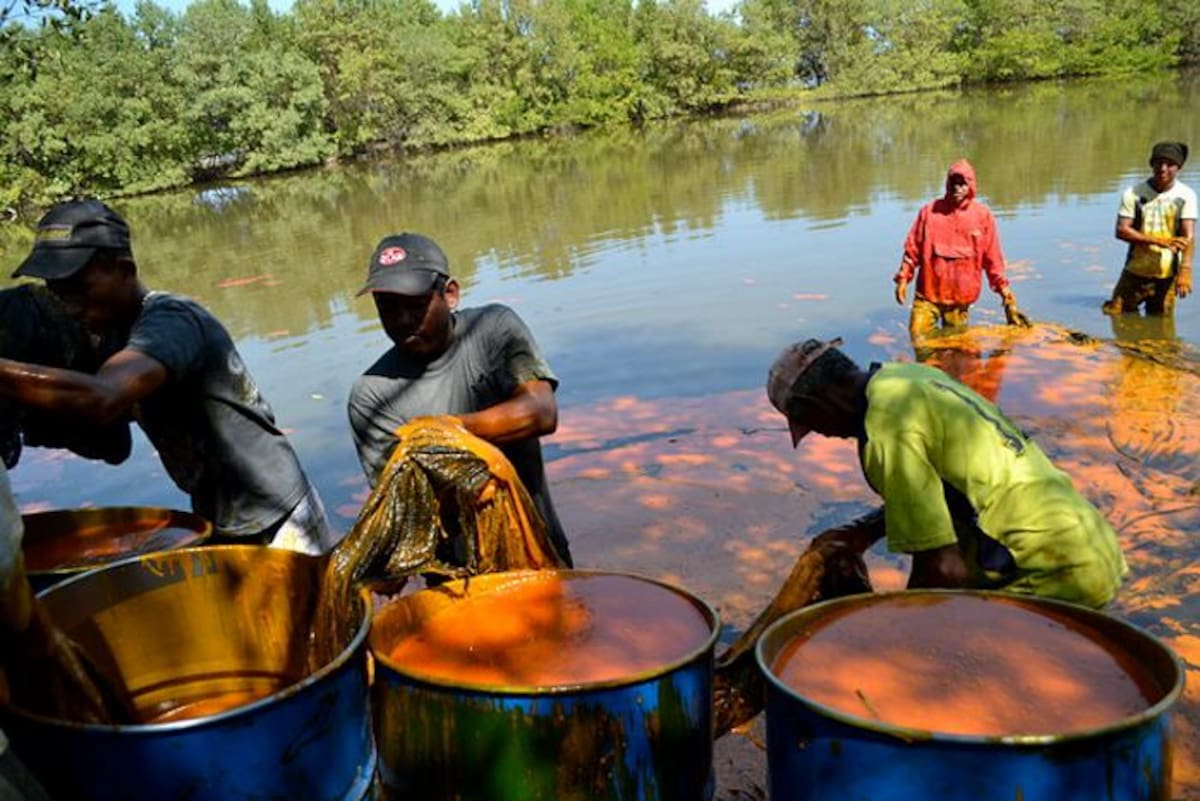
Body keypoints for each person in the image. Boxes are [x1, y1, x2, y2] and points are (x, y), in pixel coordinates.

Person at [0, 199, 333, 554]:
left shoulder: (171, 321)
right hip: (219, 515)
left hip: (278, 518)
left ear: (125, 269)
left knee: (299, 609)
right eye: (57, 292)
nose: (69, 306)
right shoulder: (112, 339)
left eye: (79, 290)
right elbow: (113, 445)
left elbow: (103, 398)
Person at [765, 337, 1127, 608]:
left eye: (814, 425)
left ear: (817, 405)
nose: (827, 436)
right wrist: (862, 532)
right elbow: (940, 489)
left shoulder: (886, 427)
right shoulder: (905, 379)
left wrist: (898, 635)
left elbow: (943, 570)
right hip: (1089, 544)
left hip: (1045, 568)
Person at [347, 233, 573, 566]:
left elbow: (541, 412)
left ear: (450, 294)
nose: (402, 320)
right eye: (387, 308)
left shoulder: (493, 329)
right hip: (457, 578)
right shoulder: (371, 396)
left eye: (415, 304)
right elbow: (402, 507)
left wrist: (443, 432)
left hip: (540, 552)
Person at [894, 159, 1031, 337]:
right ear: (947, 184)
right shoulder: (929, 213)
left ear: (971, 186)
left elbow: (992, 259)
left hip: (959, 301)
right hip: (927, 296)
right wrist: (903, 279)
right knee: (918, 338)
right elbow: (912, 250)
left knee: (956, 350)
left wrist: (1004, 291)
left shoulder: (982, 216)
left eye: (962, 184)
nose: (957, 188)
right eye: (954, 183)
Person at [1102, 141, 1196, 316]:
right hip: (1135, 270)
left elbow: (1188, 236)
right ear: (1151, 164)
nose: (1163, 168)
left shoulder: (1186, 196)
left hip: (1167, 275)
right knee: (1115, 314)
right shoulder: (1133, 193)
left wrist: (1185, 270)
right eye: (1159, 162)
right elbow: (1122, 230)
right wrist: (1159, 241)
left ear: (1179, 167)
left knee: (1162, 327)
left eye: (1170, 164)